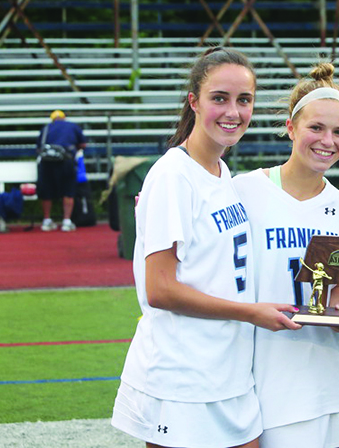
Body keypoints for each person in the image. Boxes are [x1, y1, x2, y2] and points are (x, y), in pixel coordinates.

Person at [111, 47, 300, 448]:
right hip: (182, 376)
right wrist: (251, 312)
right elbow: (160, 290)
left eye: (243, 100)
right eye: (220, 98)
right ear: (194, 101)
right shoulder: (172, 175)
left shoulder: (220, 172)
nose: (233, 111)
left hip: (229, 371)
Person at [232, 62, 339, 448]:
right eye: (316, 128)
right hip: (269, 382)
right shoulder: (245, 189)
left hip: (331, 380)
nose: (328, 140)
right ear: (291, 128)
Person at [36, 109, 86, 232]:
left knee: (46, 191)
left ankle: (46, 220)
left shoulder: (46, 128)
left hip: (47, 162)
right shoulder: (73, 126)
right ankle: (66, 221)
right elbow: (83, 144)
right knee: (68, 190)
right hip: (66, 161)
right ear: (64, 118)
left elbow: (38, 147)